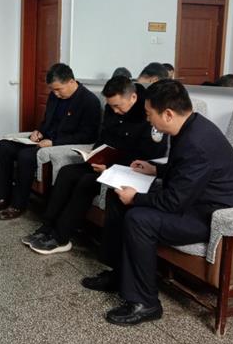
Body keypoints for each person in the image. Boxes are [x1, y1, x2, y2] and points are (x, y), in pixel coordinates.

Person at [82, 80, 233, 326]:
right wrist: (155, 169)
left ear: (168, 114)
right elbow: (184, 172)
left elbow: (173, 201)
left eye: (149, 114)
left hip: (211, 216)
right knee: (117, 198)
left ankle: (146, 302)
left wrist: (136, 197)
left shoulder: (196, 143)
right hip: (193, 200)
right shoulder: (189, 127)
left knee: (139, 219)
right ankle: (119, 274)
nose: (147, 119)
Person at [24, 76, 167, 254]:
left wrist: (110, 167)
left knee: (87, 181)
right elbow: (104, 137)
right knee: (67, 172)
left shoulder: (149, 114)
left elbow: (148, 157)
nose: (114, 111)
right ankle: (46, 227)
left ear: (133, 97)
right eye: (111, 106)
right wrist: (94, 156)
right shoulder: (112, 108)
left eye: (118, 106)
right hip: (106, 162)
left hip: (129, 169)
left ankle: (61, 238)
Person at [0, 63, 101, 220]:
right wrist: (38, 131)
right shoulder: (54, 96)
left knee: (26, 156)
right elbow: (47, 121)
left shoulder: (89, 101)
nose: (56, 94)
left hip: (59, 144)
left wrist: (54, 142)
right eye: (53, 90)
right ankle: (2, 198)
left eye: (58, 89)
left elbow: (87, 136)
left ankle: (18, 205)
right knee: (5, 146)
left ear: (71, 82)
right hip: (44, 140)